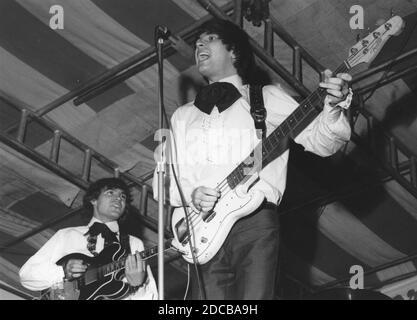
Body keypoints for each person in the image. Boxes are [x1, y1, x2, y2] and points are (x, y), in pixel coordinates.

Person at [153, 19, 352, 300]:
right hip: (202, 230)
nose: (199, 44)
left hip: (254, 221)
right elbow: (166, 178)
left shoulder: (267, 97)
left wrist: (333, 107)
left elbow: (322, 143)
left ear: (234, 52)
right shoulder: (183, 115)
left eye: (209, 38)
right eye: (197, 41)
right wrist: (192, 194)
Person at [19, 177, 158, 300]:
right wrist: (63, 271)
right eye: (110, 193)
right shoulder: (67, 234)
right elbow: (27, 275)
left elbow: (152, 296)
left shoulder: (133, 243)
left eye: (123, 197)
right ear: (94, 200)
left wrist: (138, 285)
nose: (118, 199)